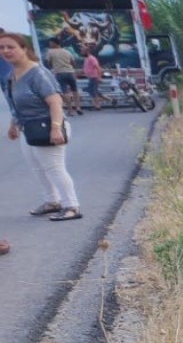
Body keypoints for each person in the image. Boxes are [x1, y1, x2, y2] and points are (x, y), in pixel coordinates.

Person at [2, 31, 82, 221]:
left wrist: (56, 128)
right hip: (27, 128)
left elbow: (55, 101)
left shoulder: (37, 73)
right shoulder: (11, 75)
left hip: (47, 125)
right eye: (1, 48)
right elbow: (16, 104)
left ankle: (71, 206)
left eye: (11, 47)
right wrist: (13, 125)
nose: (5, 51)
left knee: (54, 167)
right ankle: (52, 201)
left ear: (24, 49)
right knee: (37, 167)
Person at [45, 38, 82, 116]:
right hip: (70, 72)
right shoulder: (67, 51)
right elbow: (73, 62)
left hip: (59, 73)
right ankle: (78, 107)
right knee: (75, 91)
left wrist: (53, 67)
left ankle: (70, 110)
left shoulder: (50, 52)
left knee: (65, 92)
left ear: (55, 43)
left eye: (50, 43)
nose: (50, 45)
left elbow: (48, 63)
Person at [80, 45, 109, 111]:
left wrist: (99, 77)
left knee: (92, 92)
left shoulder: (92, 58)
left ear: (87, 51)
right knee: (95, 91)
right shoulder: (86, 59)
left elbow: (98, 68)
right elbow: (86, 68)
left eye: (82, 51)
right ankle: (110, 99)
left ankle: (97, 106)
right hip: (90, 77)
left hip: (94, 77)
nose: (81, 53)